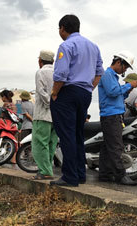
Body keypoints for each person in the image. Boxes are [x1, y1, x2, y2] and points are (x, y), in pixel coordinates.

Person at [50, 14, 104, 187]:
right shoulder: (93, 46)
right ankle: (80, 174)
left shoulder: (66, 45)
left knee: (66, 134)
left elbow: (61, 74)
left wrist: (54, 92)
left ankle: (69, 176)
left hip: (67, 92)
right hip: (84, 93)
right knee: (77, 134)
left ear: (63, 28)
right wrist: (89, 88)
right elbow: (99, 72)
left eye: (59, 29)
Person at [97, 51, 137, 186]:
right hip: (111, 116)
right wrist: (128, 85)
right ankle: (121, 176)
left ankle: (105, 174)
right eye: (125, 67)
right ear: (118, 63)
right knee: (116, 146)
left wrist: (126, 90)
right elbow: (112, 92)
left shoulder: (112, 76)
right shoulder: (108, 74)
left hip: (112, 115)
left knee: (107, 146)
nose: (125, 70)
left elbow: (117, 96)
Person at [32, 50, 59, 180]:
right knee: (51, 144)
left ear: (40, 61)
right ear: (53, 61)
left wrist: (49, 103)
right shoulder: (57, 72)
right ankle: (47, 169)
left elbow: (41, 91)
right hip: (56, 116)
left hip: (42, 114)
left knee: (39, 143)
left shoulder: (40, 72)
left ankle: (45, 171)